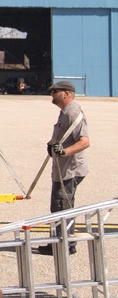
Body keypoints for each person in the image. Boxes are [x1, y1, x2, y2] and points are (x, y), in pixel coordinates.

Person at [35, 80, 90, 256]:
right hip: (62, 169)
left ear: (66, 94)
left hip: (70, 170)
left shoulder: (73, 113)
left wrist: (64, 151)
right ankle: (61, 242)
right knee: (58, 207)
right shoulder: (65, 112)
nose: (52, 94)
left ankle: (64, 245)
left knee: (63, 207)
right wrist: (52, 145)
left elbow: (85, 141)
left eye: (55, 92)